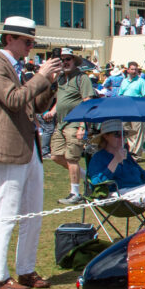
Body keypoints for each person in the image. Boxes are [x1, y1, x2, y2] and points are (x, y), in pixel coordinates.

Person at [0, 17, 62, 289]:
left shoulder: (17, 68)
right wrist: (40, 76)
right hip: (9, 147)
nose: (30, 46)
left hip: (30, 148)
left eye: (32, 41)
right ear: (9, 39)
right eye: (27, 41)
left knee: (33, 213)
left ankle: (26, 269)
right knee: (6, 212)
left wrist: (49, 83)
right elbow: (14, 100)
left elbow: (35, 106)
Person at [88, 119, 145, 219]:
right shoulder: (99, 158)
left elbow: (142, 175)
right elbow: (98, 183)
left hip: (136, 191)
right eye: (117, 134)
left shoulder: (127, 156)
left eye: (124, 134)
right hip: (115, 195)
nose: (122, 138)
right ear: (106, 136)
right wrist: (115, 160)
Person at [48, 48, 96, 204]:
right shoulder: (61, 78)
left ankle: (75, 193)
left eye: (68, 59)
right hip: (60, 124)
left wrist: (83, 125)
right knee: (55, 156)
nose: (65, 62)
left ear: (74, 61)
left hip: (75, 123)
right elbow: (60, 100)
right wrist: (52, 111)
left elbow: (88, 102)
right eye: (62, 59)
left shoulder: (82, 78)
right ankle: (86, 178)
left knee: (71, 158)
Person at [117, 61, 145, 157]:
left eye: (135, 69)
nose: (134, 71)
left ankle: (136, 154)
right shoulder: (124, 81)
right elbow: (120, 94)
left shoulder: (141, 82)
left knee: (138, 132)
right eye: (132, 69)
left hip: (137, 109)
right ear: (128, 70)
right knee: (127, 130)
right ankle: (131, 151)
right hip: (125, 108)